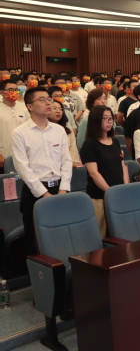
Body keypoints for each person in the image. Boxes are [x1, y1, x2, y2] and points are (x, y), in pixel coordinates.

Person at [12, 87, 72, 256]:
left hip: (60, 190)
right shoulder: (20, 133)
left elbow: (66, 161)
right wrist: (44, 194)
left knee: (61, 235)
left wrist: (63, 189)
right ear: (30, 106)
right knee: (35, 240)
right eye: (42, 100)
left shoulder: (59, 130)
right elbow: (23, 168)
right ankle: (37, 273)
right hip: (35, 192)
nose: (48, 103)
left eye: (49, 99)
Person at [80, 106, 128, 238]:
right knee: (101, 234)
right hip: (99, 196)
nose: (109, 121)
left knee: (120, 233)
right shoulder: (89, 144)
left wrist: (125, 188)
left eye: (111, 118)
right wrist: (110, 191)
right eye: (105, 119)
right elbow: (94, 173)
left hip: (118, 193)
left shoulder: (115, 141)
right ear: (95, 121)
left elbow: (122, 166)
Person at [0, 79, 29, 168]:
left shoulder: (24, 109)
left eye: (16, 90)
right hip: (4, 155)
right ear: (2, 92)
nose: (14, 92)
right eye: (11, 90)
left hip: (24, 154)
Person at [48, 99, 81, 167]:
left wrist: (72, 162)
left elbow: (72, 146)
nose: (58, 111)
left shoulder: (67, 127)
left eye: (60, 109)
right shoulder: (44, 128)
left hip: (69, 165)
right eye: (54, 108)